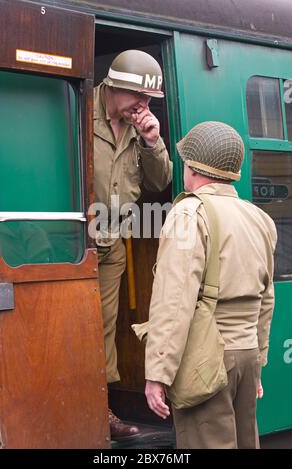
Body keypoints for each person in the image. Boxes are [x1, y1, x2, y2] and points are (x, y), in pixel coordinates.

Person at [144, 121, 277, 449]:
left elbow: (174, 301)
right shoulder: (259, 218)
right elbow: (266, 298)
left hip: (207, 357)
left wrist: (158, 371)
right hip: (246, 353)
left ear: (191, 168)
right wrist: (257, 361)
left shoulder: (189, 213)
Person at [93, 49, 172, 440]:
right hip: (73, 243)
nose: (143, 107)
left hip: (112, 245)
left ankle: (99, 410)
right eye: (137, 99)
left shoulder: (141, 129)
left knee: (104, 328)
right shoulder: (77, 109)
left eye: (149, 101)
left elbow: (160, 182)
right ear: (112, 87)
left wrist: (152, 141)